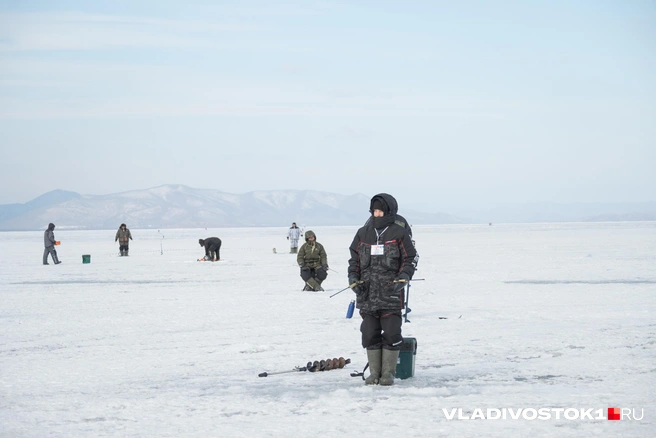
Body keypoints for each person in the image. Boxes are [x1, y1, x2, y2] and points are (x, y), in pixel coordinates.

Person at [347, 193, 417, 386]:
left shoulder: (399, 233)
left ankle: (388, 373)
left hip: (390, 293)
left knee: (392, 334)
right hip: (367, 294)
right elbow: (354, 259)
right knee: (369, 334)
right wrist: (353, 277)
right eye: (374, 211)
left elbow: (410, 258)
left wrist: (404, 277)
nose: (377, 214)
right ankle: (374, 373)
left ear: (389, 211)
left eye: (380, 210)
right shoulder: (363, 233)